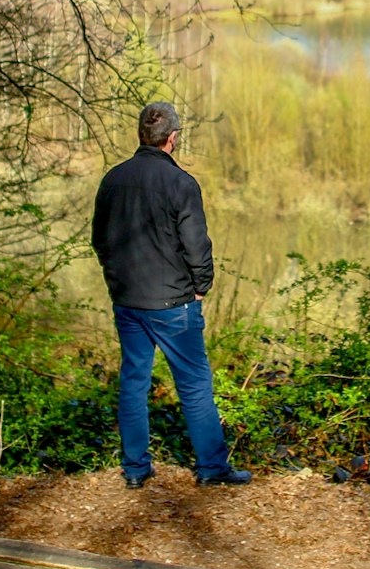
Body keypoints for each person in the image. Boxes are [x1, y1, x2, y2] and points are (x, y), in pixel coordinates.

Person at [91, 102, 252, 490]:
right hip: (173, 304)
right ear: (174, 138)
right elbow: (197, 246)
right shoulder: (181, 184)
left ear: (141, 135)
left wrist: (117, 282)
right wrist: (201, 287)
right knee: (194, 386)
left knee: (133, 382)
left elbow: (99, 240)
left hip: (128, 302)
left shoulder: (112, 179)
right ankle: (212, 469)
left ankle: (135, 469)